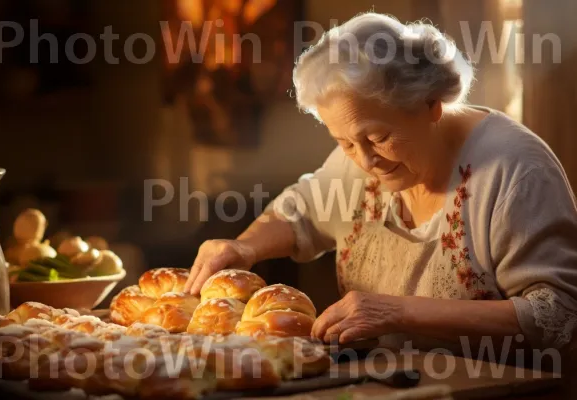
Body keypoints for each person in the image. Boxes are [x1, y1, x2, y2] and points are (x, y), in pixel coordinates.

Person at [184, 12, 577, 355]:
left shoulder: (516, 170)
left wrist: (395, 311)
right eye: (344, 142)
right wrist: (244, 246)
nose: (365, 160)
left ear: (430, 104)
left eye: (377, 138)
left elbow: (557, 314)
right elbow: (301, 210)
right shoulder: (360, 157)